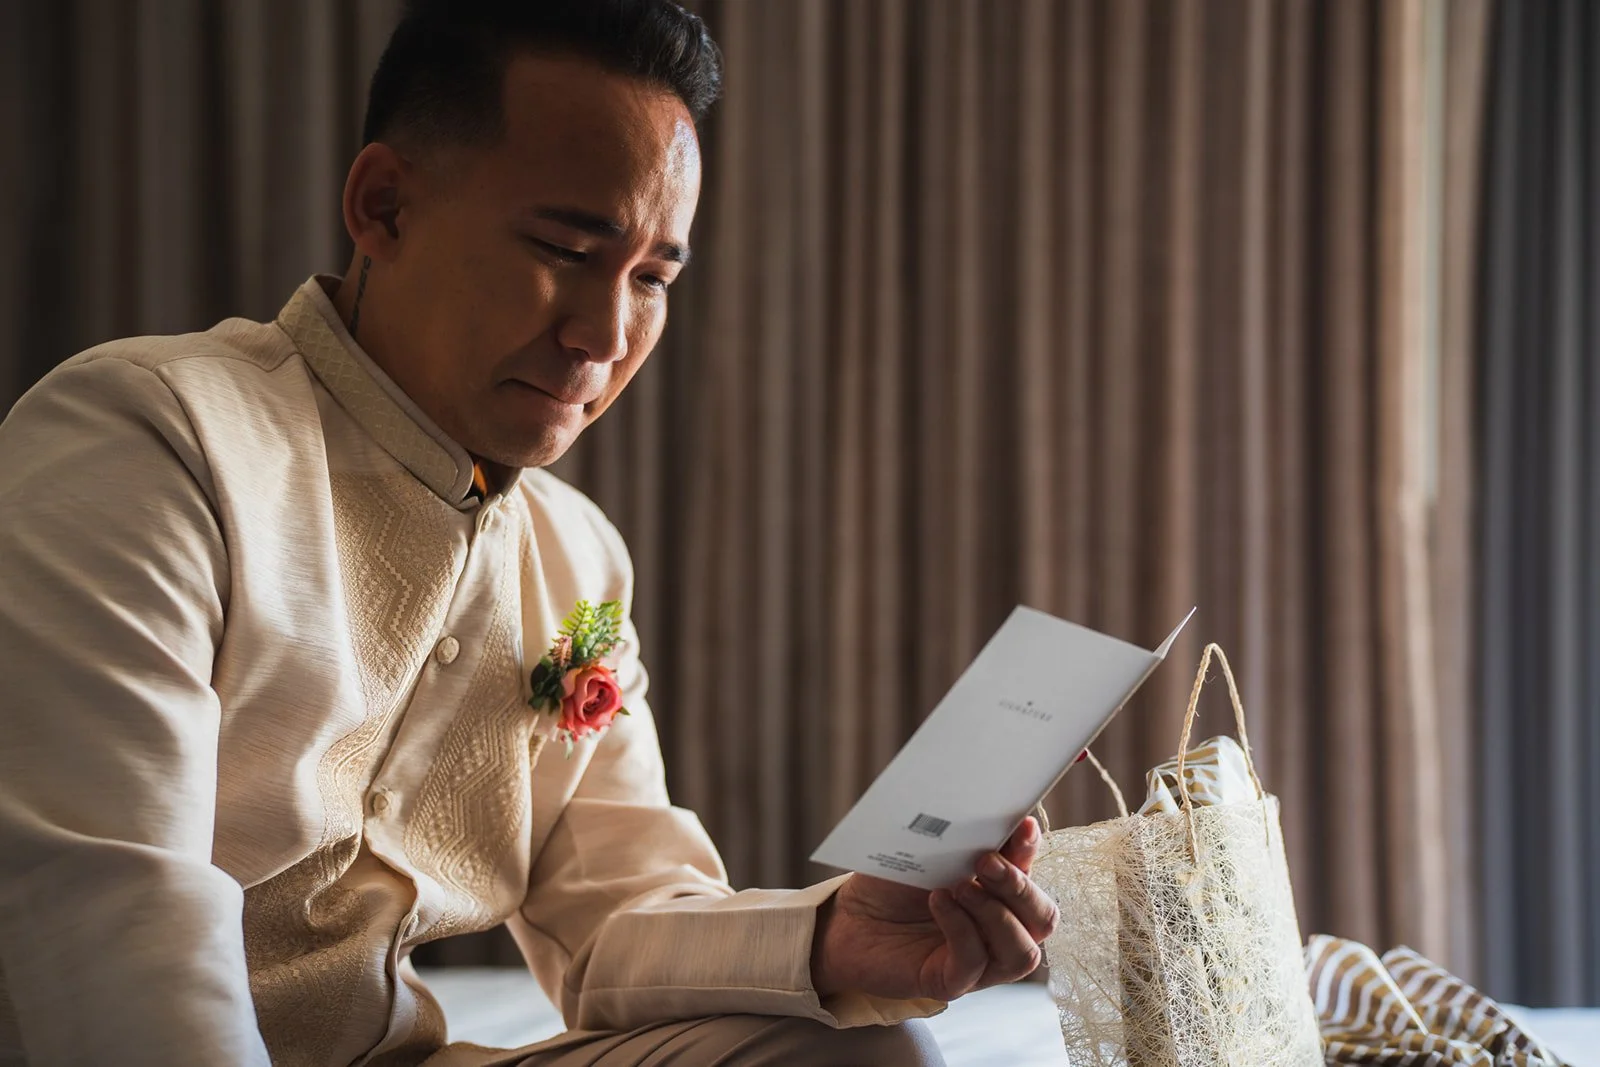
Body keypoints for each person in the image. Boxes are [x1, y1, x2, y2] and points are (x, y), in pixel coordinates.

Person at [0, 2, 1057, 1064]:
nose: (603, 335)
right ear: (384, 206)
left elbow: (613, 916)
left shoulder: (578, 556)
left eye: (651, 279)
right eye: (562, 246)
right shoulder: (151, 436)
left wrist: (835, 937)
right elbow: (114, 914)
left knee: (865, 1055)